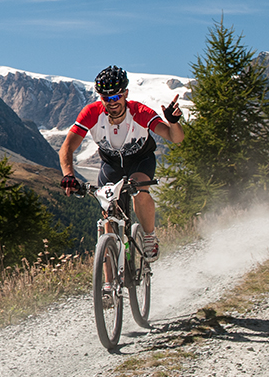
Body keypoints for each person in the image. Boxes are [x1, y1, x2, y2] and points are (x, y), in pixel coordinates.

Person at [59, 65, 184, 261]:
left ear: (125, 93)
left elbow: (174, 138)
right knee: (108, 215)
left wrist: (173, 122)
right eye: (106, 98)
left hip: (140, 160)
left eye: (117, 96)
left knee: (139, 191)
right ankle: (108, 285)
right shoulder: (91, 113)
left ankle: (149, 236)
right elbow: (67, 147)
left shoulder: (139, 111)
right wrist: (68, 175)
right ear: (100, 97)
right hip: (111, 164)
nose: (112, 102)